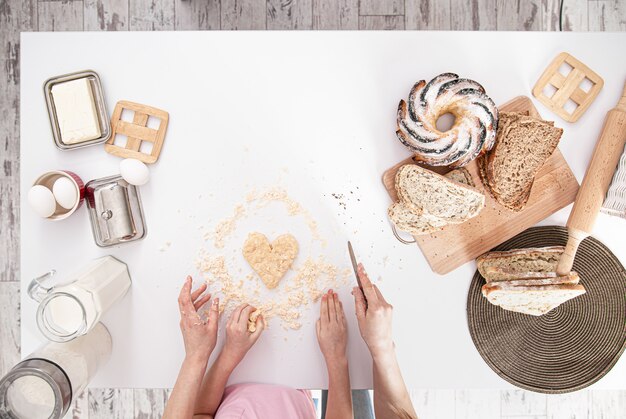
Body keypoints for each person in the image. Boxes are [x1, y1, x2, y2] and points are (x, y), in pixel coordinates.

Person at [163, 264, 417, 419]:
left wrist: (216, 354)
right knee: (359, 394)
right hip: (300, 395)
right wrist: (338, 357)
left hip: (233, 384)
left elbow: (201, 413)